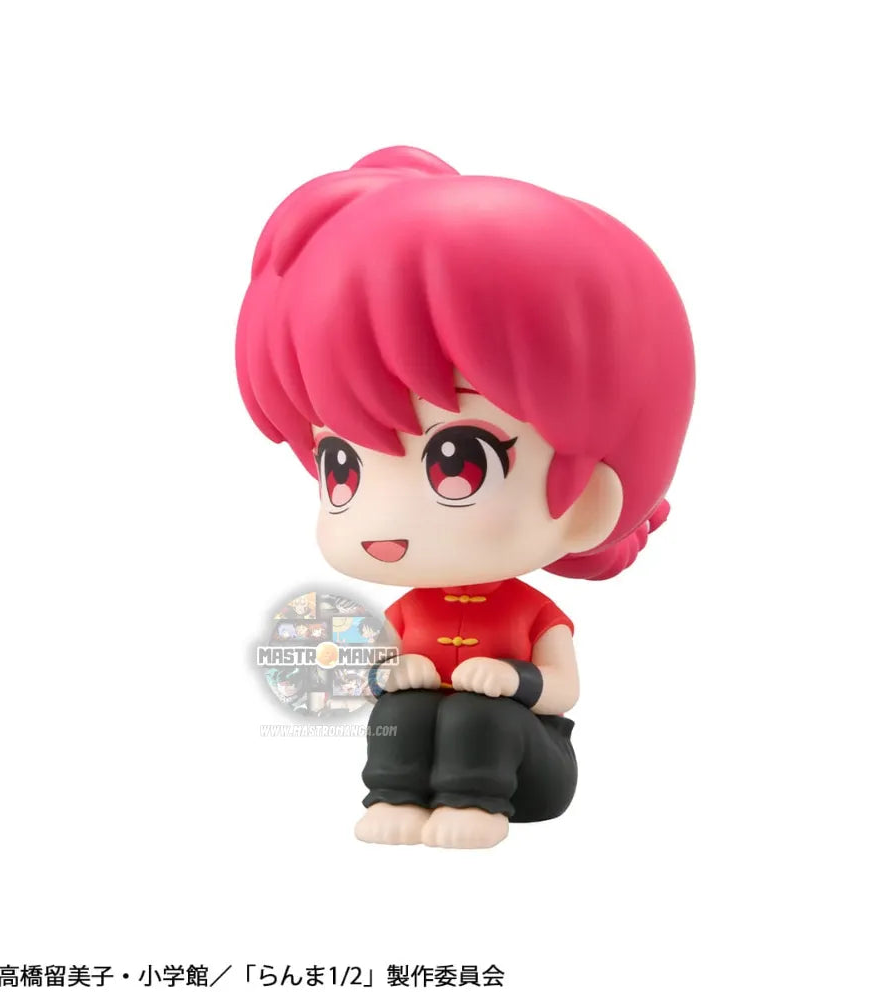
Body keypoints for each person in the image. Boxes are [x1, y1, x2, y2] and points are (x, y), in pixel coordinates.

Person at [236, 146, 694, 848]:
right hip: (423, 759)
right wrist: (394, 671)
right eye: (341, 465)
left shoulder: (534, 614)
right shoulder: (409, 610)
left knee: (479, 716)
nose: (382, 522)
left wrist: (515, 681)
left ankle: (474, 803)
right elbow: (376, 675)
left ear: (589, 499)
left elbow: (564, 688)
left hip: (524, 766)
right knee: (401, 712)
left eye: (461, 460)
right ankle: (393, 796)